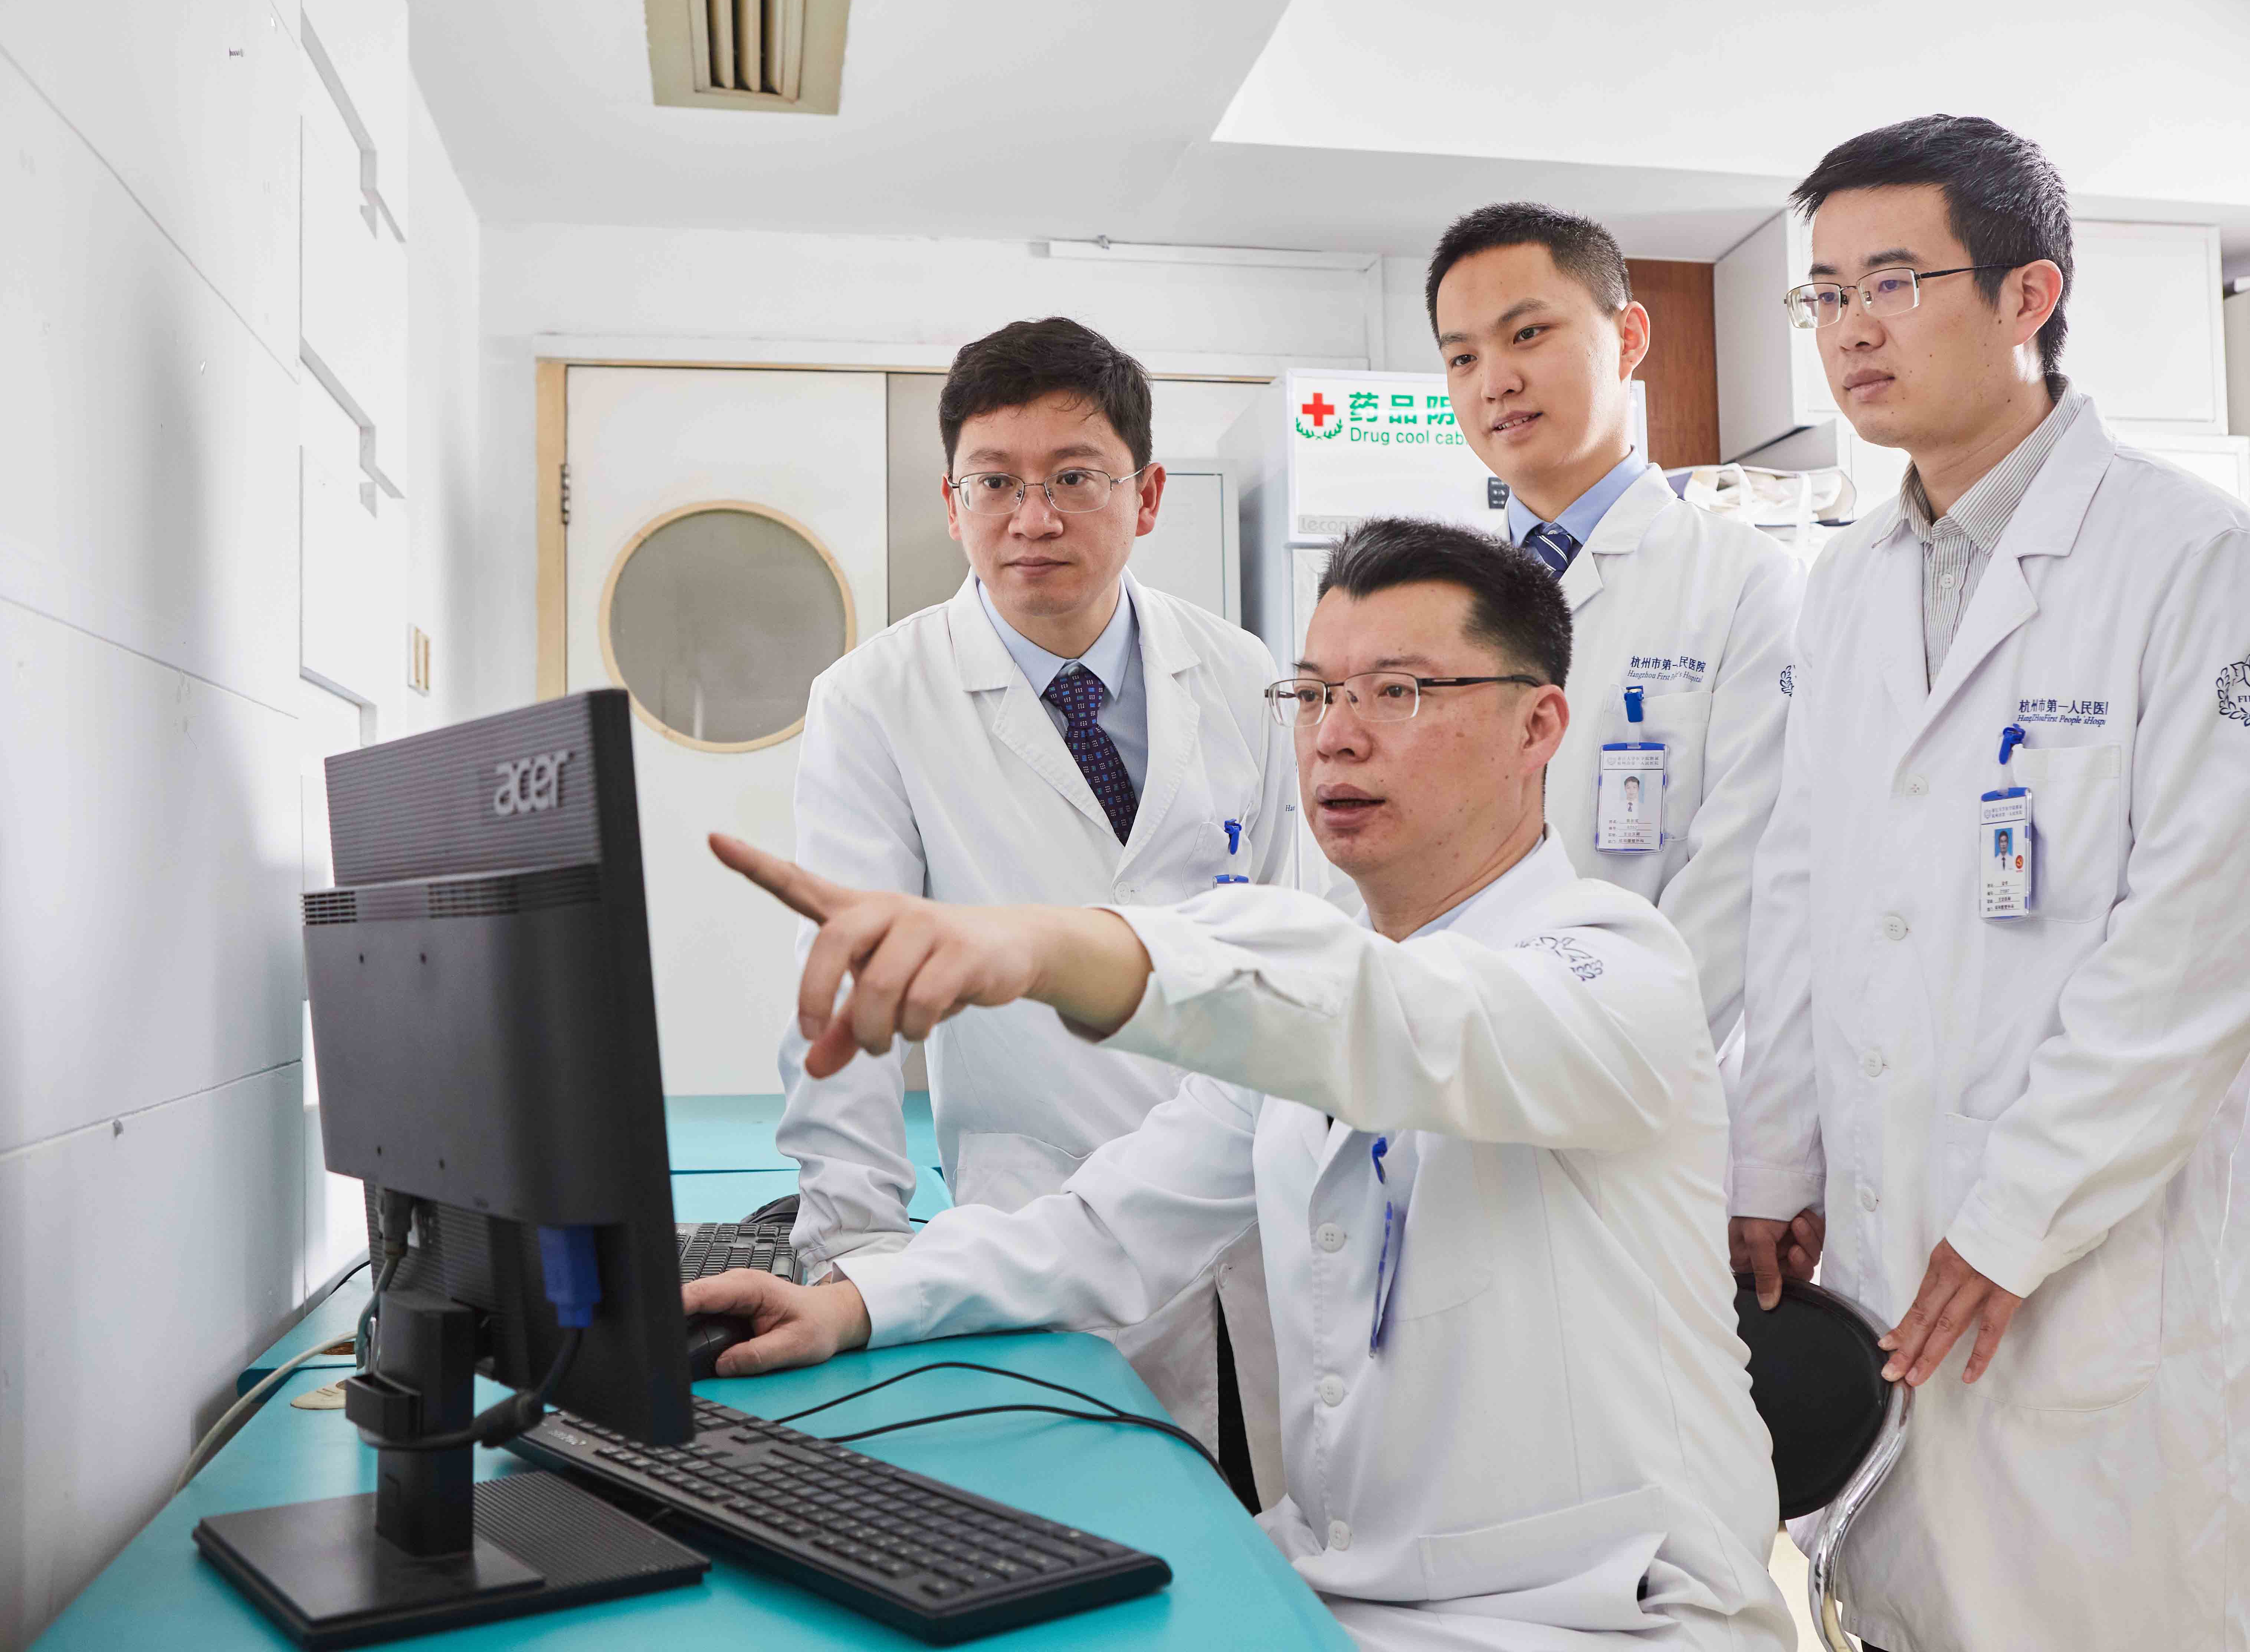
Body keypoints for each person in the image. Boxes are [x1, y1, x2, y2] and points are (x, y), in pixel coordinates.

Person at [691, 519, 1793, 1652]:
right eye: (1313, 696)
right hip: (1338, 1592)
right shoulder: (1319, 1005)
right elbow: (1107, 1228)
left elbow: (1401, 1022)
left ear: (1538, 726)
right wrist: (854, 1303)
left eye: (1400, 692)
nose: (1337, 737)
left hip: (1612, 1619)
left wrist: (1042, 945)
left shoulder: (1618, 970)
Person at [1728, 115, 2250, 1652]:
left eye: (1892, 282)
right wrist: (1769, 1157)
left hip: (2091, 1272)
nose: (1851, 328)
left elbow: (2204, 940)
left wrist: (2017, 1211)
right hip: (1883, 1252)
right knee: (1899, 1608)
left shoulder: (2195, 562)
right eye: (1825, 295)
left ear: (2028, 295)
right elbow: (1802, 889)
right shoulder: (1847, 585)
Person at [771, 316, 1306, 1508]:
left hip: (1256, 1215)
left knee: (1284, 1532)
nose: (1034, 518)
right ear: (952, 502)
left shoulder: (1241, 676)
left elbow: (1298, 954)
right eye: (996, 483)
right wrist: (858, 1260)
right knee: (1088, 1536)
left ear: (1147, 496)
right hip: (1038, 1227)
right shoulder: (875, 699)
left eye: (1075, 478)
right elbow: (850, 987)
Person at [1427, 203, 1801, 1049]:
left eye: (1528, 335)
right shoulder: (1432, 600)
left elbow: (1739, 885)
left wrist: (1582, 1060)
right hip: (1451, 1058)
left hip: (1640, 1068)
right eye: (1462, 357)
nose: (1494, 383)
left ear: (1629, 337)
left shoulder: (1747, 584)